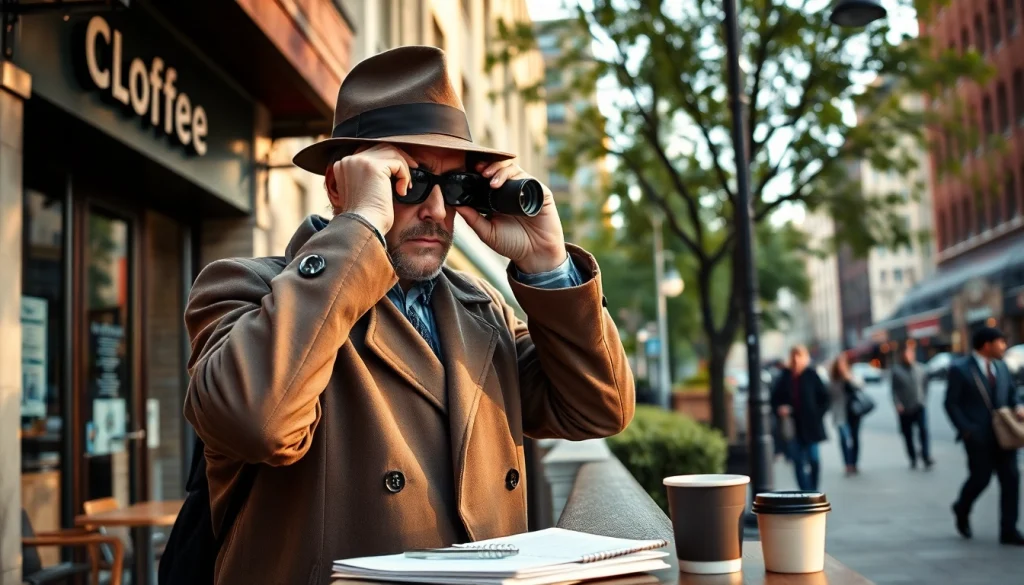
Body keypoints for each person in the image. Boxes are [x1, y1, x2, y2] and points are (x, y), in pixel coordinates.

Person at [181, 46, 635, 583]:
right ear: (339, 185)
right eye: (409, 180)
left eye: (455, 186)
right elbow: (258, 421)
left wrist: (547, 263)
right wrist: (359, 226)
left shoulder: (481, 311)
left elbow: (598, 410)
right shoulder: (245, 290)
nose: (438, 210)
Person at [944, 327, 1024, 546]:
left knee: (1011, 480)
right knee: (980, 479)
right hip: (978, 437)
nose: (1004, 347)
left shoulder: (1002, 366)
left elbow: (1011, 393)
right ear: (987, 345)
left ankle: (1009, 529)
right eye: (1000, 342)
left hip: (1005, 435)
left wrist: (1017, 405)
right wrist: (967, 430)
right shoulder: (960, 369)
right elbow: (951, 404)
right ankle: (962, 507)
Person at [771, 345, 831, 491]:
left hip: (811, 425)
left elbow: (825, 398)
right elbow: (774, 399)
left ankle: (814, 490)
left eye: (800, 356)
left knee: (814, 460)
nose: (797, 360)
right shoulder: (785, 376)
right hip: (793, 426)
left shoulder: (811, 374)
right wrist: (781, 408)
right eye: (794, 356)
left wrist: (817, 415)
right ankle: (805, 492)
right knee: (798, 461)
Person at [891, 341, 933, 470]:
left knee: (923, 431)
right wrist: (898, 404)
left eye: (910, 354)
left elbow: (926, 385)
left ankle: (926, 456)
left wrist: (923, 399)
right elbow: (894, 391)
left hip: (919, 405)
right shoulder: (897, 371)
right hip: (905, 408)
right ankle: (912, 457)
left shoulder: (920, 369)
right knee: (908, 435)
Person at [829, 353, 863, 476]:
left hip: (854, 412)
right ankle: (847, 464)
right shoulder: (833, 379)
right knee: (844, 439)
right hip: (840, 413)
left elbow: (860, 386)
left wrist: (848, 378)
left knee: (855, 438)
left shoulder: (852, 375)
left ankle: (854, 463)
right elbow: (830, 396)